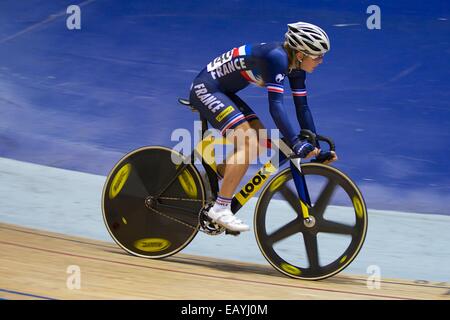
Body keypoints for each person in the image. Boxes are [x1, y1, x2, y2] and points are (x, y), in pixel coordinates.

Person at [189, 22, 337, 232]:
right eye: (318, 55)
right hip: (206, 89)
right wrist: (295, 143)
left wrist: (312, 143)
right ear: (301, 54)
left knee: (258, 143)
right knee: (249, 143)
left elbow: (301, 106)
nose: (321, 61)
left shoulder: (296, 67)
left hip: (223, 91)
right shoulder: (277, 57)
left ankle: (207, 181)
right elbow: (276, 107)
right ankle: (221, 208)